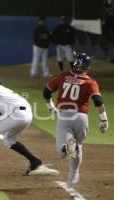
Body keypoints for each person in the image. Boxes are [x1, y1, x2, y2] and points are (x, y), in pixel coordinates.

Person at [43, 53, 109, 187]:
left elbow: (46, 91)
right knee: (78, 146)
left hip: (65, 116)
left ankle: (67, 148)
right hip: (81, 118)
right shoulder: (90, 82)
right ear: (87, 67)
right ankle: (74, 173)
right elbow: (97, 100)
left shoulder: (63, 76)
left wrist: (50, 106)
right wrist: (104, 120)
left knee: (62, 152)